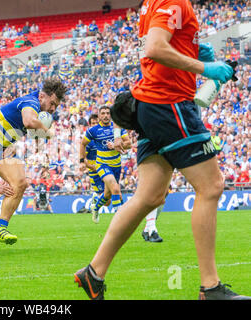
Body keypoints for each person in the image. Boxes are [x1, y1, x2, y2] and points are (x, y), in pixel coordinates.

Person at [74, 0, 250, 300]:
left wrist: (195, 51)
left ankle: (93, 272)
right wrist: (204, 66)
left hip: (148, 104)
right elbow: (155, 48)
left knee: (150, 196)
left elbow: (158, 46)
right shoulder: (174, 1)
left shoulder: (152, 3)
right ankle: (211, 287)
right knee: (211, 186)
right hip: (169, 104)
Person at [0, 78, 66, 245]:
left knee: (20, 183)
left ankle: (0, 228)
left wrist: (38, 144)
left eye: (56, 106)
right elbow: (29, 122)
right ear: (42, 95)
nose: (53, 109)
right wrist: (48, 132)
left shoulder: (36, 107)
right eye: (52, 103)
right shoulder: (30, 102)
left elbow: (28, 129)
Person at [79, 106, 131, 218]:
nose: (106, 115)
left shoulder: (117, 128)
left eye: (108, 113)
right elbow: (83, 144)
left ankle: (95, 208)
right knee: (116, 189)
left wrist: (116, 145)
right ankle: (119, 219)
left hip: (116, 166)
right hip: (102, 164)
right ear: (99, 116)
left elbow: (129, 144)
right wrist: (82, 161)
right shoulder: (93, 130)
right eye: (103, 113)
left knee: (107, 196)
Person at [80, 113, 106, 223]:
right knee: (107, 199)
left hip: (106, 167)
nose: (95, 125)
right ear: (89, 126)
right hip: (95, 172)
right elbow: (83, 159)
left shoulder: (103, 137)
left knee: (109, 198)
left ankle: (96, 199)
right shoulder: (88, 142)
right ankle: (96, 200)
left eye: (97, 123)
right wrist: (92, 167)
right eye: (93, 124)